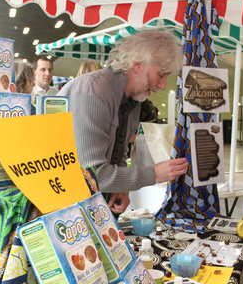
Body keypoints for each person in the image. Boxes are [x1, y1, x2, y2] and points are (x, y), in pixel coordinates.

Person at [59, 30, 188, 215]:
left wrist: (122, 188)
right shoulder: (94, 91)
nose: (162, 85)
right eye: (161, 74)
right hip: (64, 210)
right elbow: (90, 175)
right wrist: (154, 174)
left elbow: (118, 153)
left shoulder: (132, 100)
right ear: (137, 65)